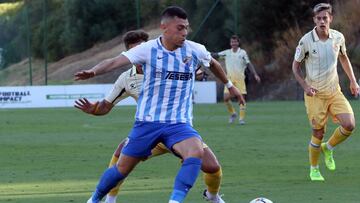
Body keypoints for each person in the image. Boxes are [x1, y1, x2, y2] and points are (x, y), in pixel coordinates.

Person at [75, 6, 244, 203]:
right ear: (164, 28)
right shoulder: (147, 50)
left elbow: (212, 63)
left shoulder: (194, 50)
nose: (184, 33)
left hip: (178, 124)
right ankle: (95, 199)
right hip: (147, 123)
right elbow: (114, 62)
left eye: (186, 28)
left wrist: (229, 85)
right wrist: (93, 72)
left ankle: (177, 200)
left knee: (196, 153)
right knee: (121, 168)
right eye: (179, 28)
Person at [292, 3, 359, 181]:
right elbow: (295, 67)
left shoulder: (338, 37)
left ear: (331, 19)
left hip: (334, 91)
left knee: (350, 124)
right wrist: (305, 86)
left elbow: (344, 58)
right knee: (318, 132)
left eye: (325, 18)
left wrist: (353, 81)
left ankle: (327, 148)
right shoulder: (305, 41)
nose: (322, 21)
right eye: (319, 18)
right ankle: (314, 168)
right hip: (315, 95)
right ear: (314, 20)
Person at [215, 35, 261, 124]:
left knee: (242, 98)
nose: (234, 43)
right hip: (229, 80)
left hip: (240, 79)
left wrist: (255, 74)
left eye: (235, 42)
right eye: (232, 42)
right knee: (225, 98)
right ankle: (233, 113)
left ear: (238, 43)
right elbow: (216, 54)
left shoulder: (242, 53)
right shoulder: (227, 53)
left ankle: (241, 119)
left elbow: (249, 64)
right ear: (230, 43)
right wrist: (204, 52)